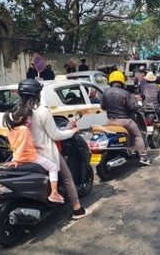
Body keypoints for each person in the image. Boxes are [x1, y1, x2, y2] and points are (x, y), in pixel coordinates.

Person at [16, 78, 93, 219]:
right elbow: (55, 135)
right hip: (45, 153)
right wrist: (72, 132)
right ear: (37, 94)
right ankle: (77, 209)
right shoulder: (41, 112)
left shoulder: (15, 112)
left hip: (23, 153)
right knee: (67, 177)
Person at [2, 103, 64, 203]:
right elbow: (21, 145)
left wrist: (15, 160)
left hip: (21, 158)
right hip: (31, 157)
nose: (30, 121)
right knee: (53, 167)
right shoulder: (24, 129)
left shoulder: (11, 130)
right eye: (29, 118)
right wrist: (16, 159)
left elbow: (15, 147)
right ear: (21, 118)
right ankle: (54, 193)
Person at [101, 71, 152, 166]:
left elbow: (103, 107)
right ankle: (143, 157)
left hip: (110, 121)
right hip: (124, 121)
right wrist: (138, 104)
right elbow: (132, 107)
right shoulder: (125, 93)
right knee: (138, 135)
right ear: (121, 81)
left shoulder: (105, 93)